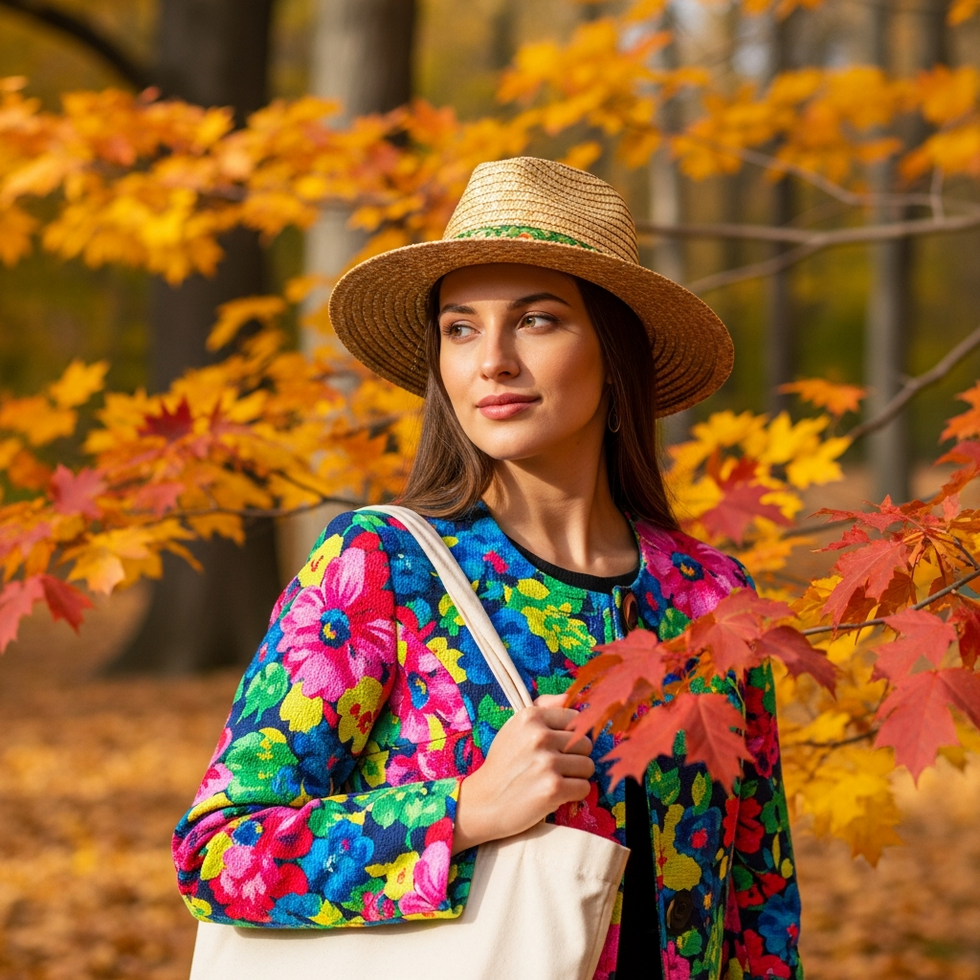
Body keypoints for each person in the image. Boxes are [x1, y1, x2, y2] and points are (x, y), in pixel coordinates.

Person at [173, 157, 803, 980]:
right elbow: (218, 853)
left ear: (615, 351)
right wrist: (460, 812)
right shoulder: (384, 568)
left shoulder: (712, 593)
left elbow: (759, 894)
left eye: (537, 321)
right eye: (461, 328)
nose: (492, 361)